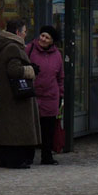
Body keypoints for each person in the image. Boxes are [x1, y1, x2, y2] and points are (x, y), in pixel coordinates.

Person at [0, 18, 42, 168]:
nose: (26, 35)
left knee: (9, 129)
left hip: (9, 96)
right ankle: (15, 160)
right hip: (15, 96)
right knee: (16, 129)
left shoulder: (6, 46)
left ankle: (6, 158)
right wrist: (31, 70)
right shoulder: (13, 47)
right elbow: (14, 70)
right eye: (24, 31)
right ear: (17, 32)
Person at [27, 25, 64, 165]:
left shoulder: (57, 54)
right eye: (42, 35)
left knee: (48, 128)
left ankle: (46, 155)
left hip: (50, 96)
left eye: (47, 37)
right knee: (31, 126)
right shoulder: (30, 49)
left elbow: (60, 76)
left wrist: (61, 93)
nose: (43, 39)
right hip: (33, 94)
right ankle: (28, 155)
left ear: (52, 41)